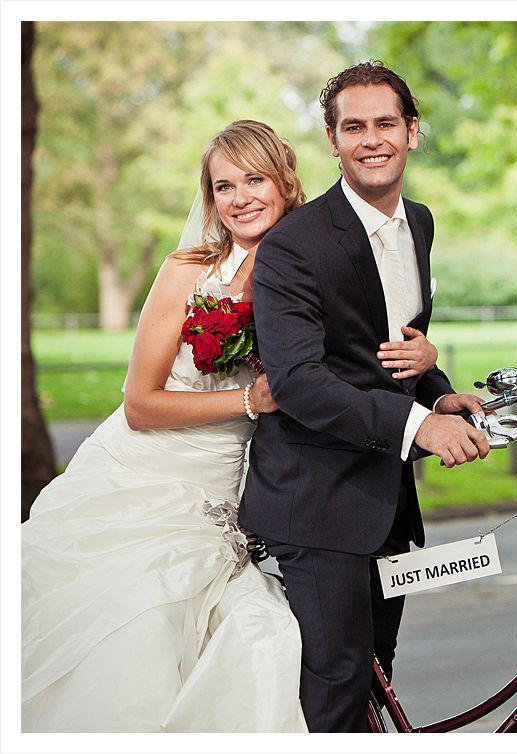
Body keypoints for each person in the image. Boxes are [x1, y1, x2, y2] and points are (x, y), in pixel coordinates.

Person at [21, 119, 440, 732]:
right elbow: (141, 403)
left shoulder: (314, 255)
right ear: (210, 198)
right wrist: (250, 400)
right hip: (147, 474)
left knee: (256, 641)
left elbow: (362, 355)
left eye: (254, 180)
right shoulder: (188, 270)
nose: (241, 197)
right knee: (140, 624)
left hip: (227, 480)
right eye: (224, 187)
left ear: (284, 179)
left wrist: (429, 364)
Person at [238, 61, 490, 733]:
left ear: (413, 132)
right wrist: (418, 427)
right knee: (336, 689)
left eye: (386, 123)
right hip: (315, 499)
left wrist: (437, 394)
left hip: (386, 499)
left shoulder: (422, 223)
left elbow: (393, 342)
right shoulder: (293, 246)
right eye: (354, 126)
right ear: (332, 139)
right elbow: (298, 383)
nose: (371, 139)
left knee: (376, 673)